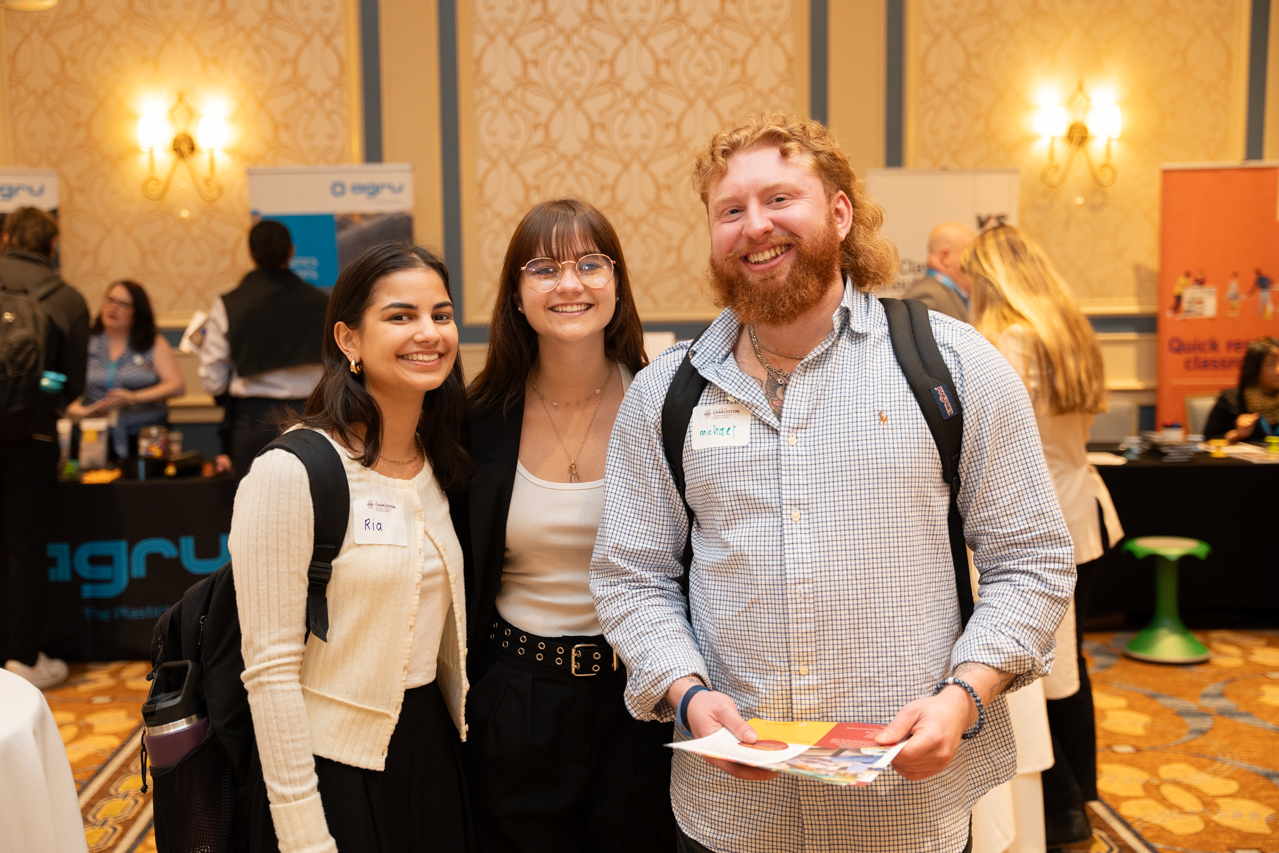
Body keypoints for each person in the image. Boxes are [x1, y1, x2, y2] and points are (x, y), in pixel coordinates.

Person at [590, 114, 1075, 853]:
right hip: (731, 817)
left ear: (839, 213)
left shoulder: (951, 367)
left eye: (780, 198)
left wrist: (963, 696)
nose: (754, 226)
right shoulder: (666, 394)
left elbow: (1032, 560)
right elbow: (631, 576)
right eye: (730, 210)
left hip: (902, 814)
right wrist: (685, 693)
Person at [230, 242, 473, 853]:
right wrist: (303, 833)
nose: (429, 333)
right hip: (328, 770)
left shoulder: (438, 462)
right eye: (400, 316)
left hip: (431, 753)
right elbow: (269, 672)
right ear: (349, 340)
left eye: (441, 315)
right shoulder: (291, 472)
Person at [462, 198, 674, 852]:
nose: (571, 284)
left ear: (616, 282)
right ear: (516, 295)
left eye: (589, 263)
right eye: (544, 269)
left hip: (642, 695)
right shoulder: (477, 420)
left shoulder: (663, 403)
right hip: (516, 697)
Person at [963, 225, 1124, 849]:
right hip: (1082, 505)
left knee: (1039, 671)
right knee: (1070, 665)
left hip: (1037, 518)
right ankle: (1082, 791)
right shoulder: (1070, 330)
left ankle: (1062, 808)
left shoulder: (1009, 339)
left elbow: (999, 441)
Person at [0, 207, 88, 689]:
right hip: (31, 438)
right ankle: (21, 659)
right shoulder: (66, 298)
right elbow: (72, 383)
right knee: (25, 548)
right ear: (52, 245)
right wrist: (37, 401)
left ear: (7, 236)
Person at [197, 219, 329, 477]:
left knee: (252, 509)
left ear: (250, 252)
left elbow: (213, 381)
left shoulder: (230, 304)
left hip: (254, 422)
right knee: (314, 503)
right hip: (312, 418)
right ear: (291, 251)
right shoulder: (323, 302)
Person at [67, 280, 185, 458]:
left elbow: (177, 386)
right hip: (96, 435)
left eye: (123, 305)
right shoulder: (86, 342)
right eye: (110, 301)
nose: (113, 308)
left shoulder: (152, 343)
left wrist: (133, 397)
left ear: (136, 314)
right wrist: (82, 411)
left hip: (146, 438)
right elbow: (62, 388)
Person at [1204, 337, 1279, 445]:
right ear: (1255, 368)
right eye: (1271, 364)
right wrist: (1235, 434)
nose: (1278, 370)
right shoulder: (1231, 399)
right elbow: (1207, 441)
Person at [903, 222, 976, 321]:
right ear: (945, 257)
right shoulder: (927, 296)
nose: (976, 261)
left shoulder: (944, 293)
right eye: (971, 253)